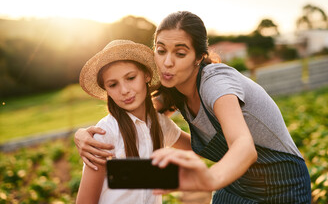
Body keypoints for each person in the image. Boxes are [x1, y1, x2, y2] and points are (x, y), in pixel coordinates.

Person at [75, 12, 312, 203]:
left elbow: (244, 147)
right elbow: (136, 113)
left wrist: (209, 178)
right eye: (161, 50)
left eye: (180, 53)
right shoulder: (173, 89)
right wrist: (83, 135)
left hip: (282, 183)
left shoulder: (216, 83)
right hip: (236, 182)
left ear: (199, 56)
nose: (167, 62)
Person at [75, 40, 191, 204]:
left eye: (130, 78)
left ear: (146, 75)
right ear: (106, 90)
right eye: (113, 84)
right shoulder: (104, 133)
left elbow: (199, 147)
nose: (124, 90)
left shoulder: (161, 124)